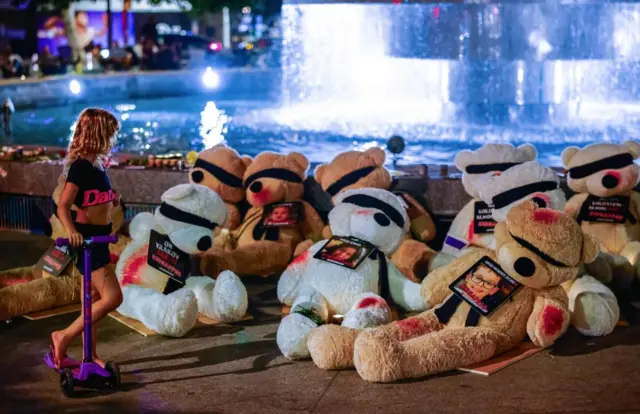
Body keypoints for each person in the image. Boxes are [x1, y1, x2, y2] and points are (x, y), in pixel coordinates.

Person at [50, 108, 123, 369]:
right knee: (114, 298)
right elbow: (63, 204)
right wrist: (73, 232)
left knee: (90, 301)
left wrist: (111, 199)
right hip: (89, 242)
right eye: (111, 134)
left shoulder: (96, 165)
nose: (113, 139)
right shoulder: (81, 166)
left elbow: (94, 200)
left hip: (99, 238)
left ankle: (89, 356)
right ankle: (64, 336)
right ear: (99, 134)